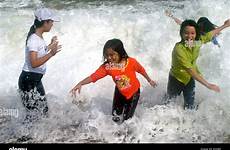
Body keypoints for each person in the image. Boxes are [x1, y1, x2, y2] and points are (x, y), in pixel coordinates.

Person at [70, 39, 157, 124]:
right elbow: (94, 77)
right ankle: (114, 136)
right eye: (107, 55)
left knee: (127, 120)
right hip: (119, 92)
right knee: (115, 117)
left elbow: (141, 70)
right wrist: (80, 83)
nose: (109, 57)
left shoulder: (131, 62)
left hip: (134, 93)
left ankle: (127, 136)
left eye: (112, 55)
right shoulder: (108, 67)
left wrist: (149, 80)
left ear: (120, 52)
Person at [165, 18, 230, 110]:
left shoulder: (197, 43)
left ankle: (187, 122)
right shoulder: (178, 49)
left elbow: (209, 35)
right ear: (181, 34)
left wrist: (225, 25)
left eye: (192, 33)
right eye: (186, 33)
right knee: (169, 103)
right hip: (176, 79)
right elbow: (190, 70)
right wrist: (208, 85)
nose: (189, 36)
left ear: (196, 34)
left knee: (190, 106)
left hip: (189, 80)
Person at [18, 8, 62, 122]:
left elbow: (39, 52)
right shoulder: (33, 39)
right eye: (51, 21)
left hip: (35, 80)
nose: (52, 24)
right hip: (28, 80)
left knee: (43, 111)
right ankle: (23, 138)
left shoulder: (38, 37)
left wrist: (49, 46)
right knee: (32, 115)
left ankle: (37, 138)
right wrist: (51, 54)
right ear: (45, 22)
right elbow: (34, 63)